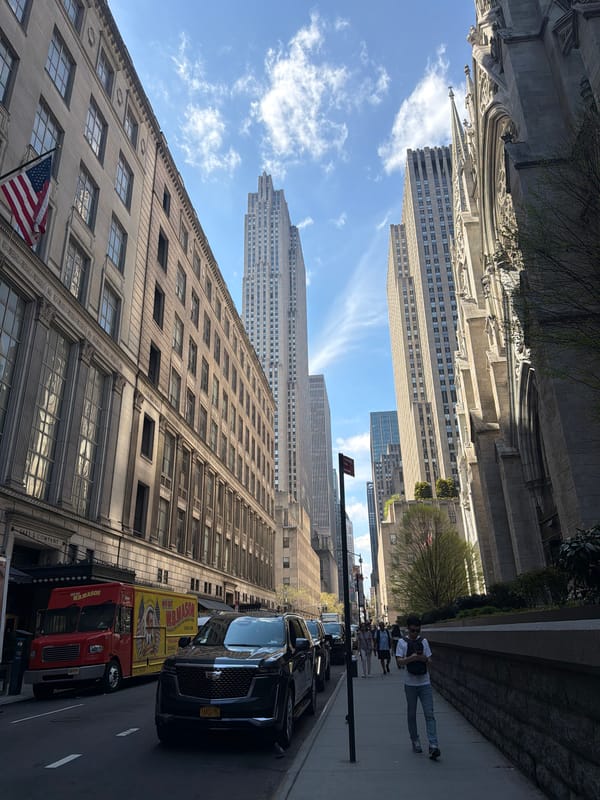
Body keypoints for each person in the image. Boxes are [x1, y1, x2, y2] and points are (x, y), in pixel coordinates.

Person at [395, 614, 441, 760]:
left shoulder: (424, 642)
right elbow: (399, 662)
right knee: (412, 714)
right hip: (410, 684)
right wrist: (412, 658)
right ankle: (415, 740)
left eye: (418, 630)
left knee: (429, 714)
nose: (415, 633)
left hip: (425, 683)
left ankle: (433, 745)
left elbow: (431, 660)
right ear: (408, 629)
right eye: (413, 630)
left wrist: (424, 658)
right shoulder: (402, 643)